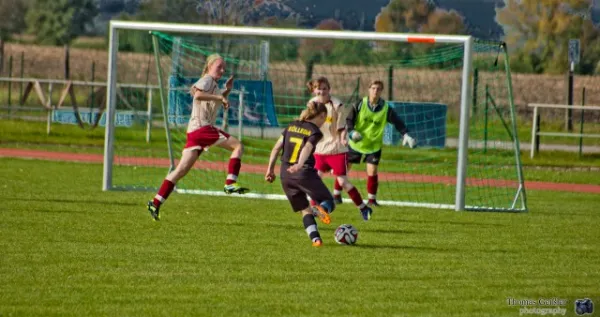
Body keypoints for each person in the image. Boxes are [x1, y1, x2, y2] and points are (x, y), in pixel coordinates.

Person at [146, 53, 249, 221]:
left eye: (224, 68)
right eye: (219, 67)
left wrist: (226, 91)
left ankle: (155, 202)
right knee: (238, 146)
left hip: (194, 132)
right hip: (202, 128)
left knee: (180, 170)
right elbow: (198, 95)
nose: (222, 70)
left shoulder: (213, 84)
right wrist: (219, 96)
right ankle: (230, 183)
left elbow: (208, 97)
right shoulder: (207, 79)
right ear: (209, 66)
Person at [265, 101, 335, 247]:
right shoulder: (315, 131)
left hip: (285, 175)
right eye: (325, 119)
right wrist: (299, 164)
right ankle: (319, 209)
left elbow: (276, 148)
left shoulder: (291, 125)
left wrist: (270, 169)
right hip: (303, 173)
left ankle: (316, 240)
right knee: (329, 202)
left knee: (304, 208)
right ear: (322, 115)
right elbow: (308, 147)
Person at [306, 77, 373, 221]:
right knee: (314, 180)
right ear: (314, 90)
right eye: (319, 88)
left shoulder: (337, 105)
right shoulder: (311, 104)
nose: (322, 91)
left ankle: (363, 207)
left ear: (329, 89)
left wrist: (343, 137)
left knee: (342, 182)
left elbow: (342, 127)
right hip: (320, 149)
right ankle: (314, 210)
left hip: (337, 149)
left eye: (325, 88)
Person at [346, 80, 416, 207]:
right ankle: (336, 195)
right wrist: (352, 132)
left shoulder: (386, 108)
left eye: (378, 89)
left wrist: (405, 134)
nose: (375, 91)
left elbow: (397, 121)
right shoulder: (360, 104)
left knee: (372, 171)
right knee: (344, 169)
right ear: (369, 89)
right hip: (356, 143)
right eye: (373, 88)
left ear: (381, 91)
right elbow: (349, 120)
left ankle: (372, 200)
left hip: (373, 145)